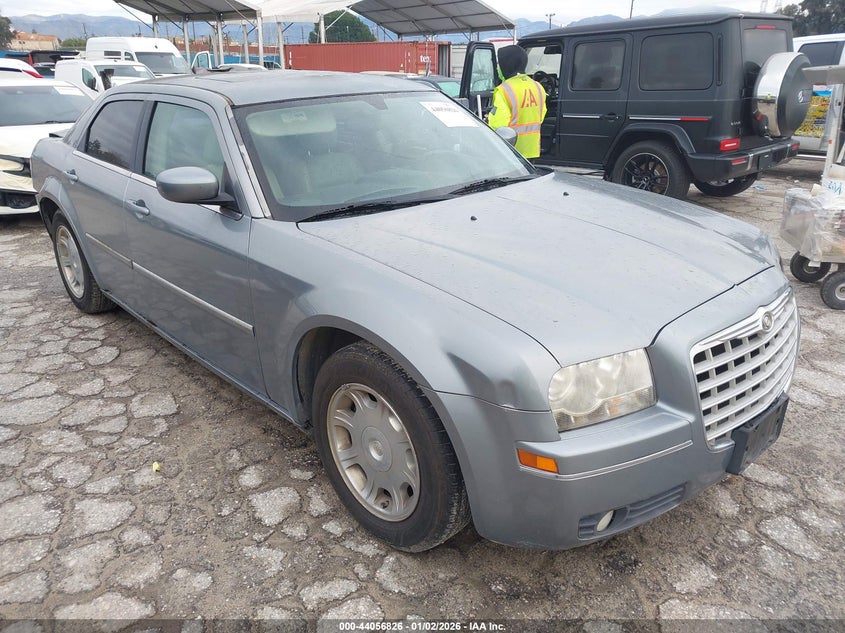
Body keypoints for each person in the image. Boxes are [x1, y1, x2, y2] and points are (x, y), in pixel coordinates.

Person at [487, 45, 547, 160]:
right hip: (532, 148)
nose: (497, 68)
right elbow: (541, 115)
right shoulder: (538, 87)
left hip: (512, 150)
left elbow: (498, 125)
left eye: (500, 64)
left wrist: (488, 119)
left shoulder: (504, 90)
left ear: (507, 65)